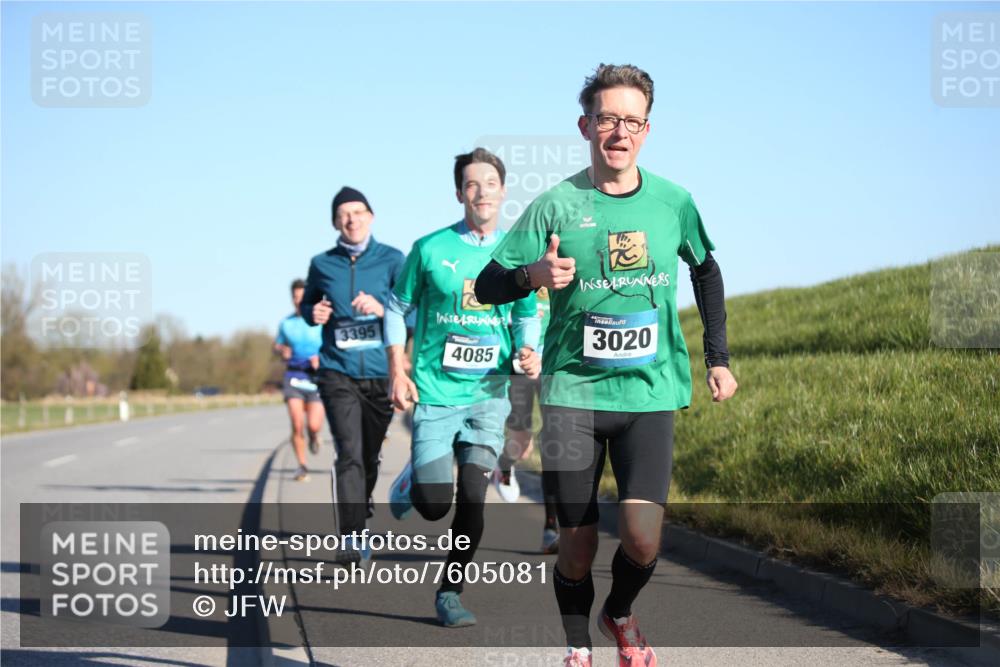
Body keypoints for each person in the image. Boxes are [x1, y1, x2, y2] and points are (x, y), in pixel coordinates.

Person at [475, 64, 738, 667]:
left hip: (649, 392)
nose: (620, 131)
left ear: (647, 129)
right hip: (573, 396)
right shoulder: (557, 204)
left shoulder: (674, 201)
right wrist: (533, 277)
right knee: (577, 542)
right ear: (586, 125)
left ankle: (618, 612)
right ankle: (576, 646)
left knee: (643, 540)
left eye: (633, 120)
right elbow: (489, 284)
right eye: (608, 118)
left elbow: (707, 271)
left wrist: (717, 359)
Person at [384, 148, 541, 627]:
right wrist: (398, 367)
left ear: (503, 191)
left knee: (473, 499)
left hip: (487, 396)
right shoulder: (430, 249)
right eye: (472, 184)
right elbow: (395, 307)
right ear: (459, 194)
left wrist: (527, 350)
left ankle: (450, 593)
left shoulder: (517, 254)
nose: (481, 192)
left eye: (490, 182)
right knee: (435, 506)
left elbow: (526, 313)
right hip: (435, 393)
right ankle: (415, 481)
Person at [300, 187, 405, 558]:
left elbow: (413, 311)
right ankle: (351, 535)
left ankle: (362, 503)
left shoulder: (393, 260)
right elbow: (309, 304)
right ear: (334, 222)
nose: (352, 219)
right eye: (344, 214)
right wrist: (313, 313)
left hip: (380, 371)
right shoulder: (321, 263)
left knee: (370, 454)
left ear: (371, 217)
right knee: (349, 451)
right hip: (337, 370)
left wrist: (383, 309)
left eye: (358, 212)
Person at [494, 286, 561, 554]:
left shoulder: (566, 271)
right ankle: (504, 464)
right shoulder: (522, 271)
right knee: (521, 444)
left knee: (553, 447)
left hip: (555, 365)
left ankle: (550, 529)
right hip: (520, 366)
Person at [274, 279, 325, 481]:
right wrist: (281, 350)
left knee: (313, 425)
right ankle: (302, 466)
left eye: (301, 297)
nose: (298, 301)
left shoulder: (320, 321)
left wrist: (321, 358)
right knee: (297, 423)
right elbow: (277, 345)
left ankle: (314, 436)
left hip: (315, 377)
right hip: (294, 376)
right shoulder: (286, 324)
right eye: (295, 298)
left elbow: (333, 344)